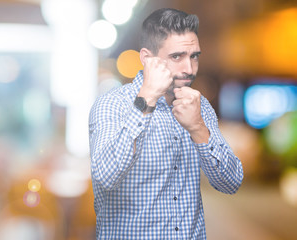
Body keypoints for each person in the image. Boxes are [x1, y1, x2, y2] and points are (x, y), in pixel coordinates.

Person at [88, 8, 243, 239]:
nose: (189, 69)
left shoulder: (198, 107)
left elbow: (231, 183)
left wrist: (198, 128)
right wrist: (147, 99)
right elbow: (105, 176)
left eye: (194, 56)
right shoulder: (112, 105)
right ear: (147, 58)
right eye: (176, 57)